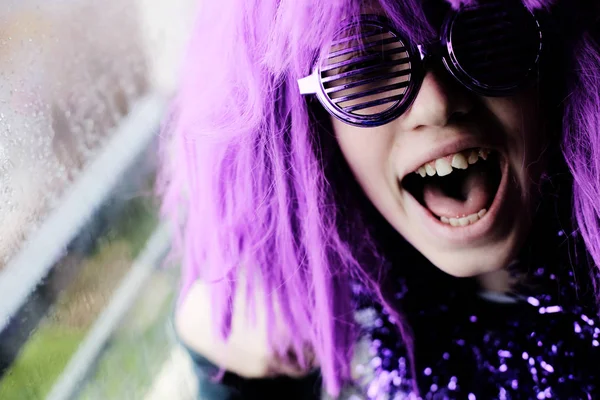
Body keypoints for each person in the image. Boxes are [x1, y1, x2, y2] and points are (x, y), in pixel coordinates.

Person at [159, 0, 600, 398]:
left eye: (485, 32)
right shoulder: (353, 332)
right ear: (313, 129)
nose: (437, 106)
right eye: (365, 66)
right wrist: (220, 365)